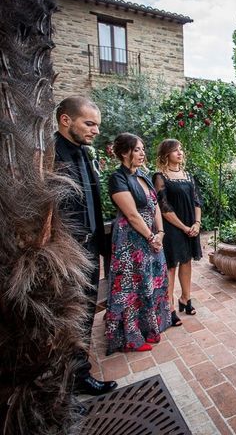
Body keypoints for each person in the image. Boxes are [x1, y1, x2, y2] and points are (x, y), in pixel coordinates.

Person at [54, 96, 117, 395]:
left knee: (87, 309)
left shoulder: (84, 153)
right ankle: (68, 379)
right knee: (69, 314)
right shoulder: (50, 155)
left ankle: (79, 373)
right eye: (89, 124)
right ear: (66, 120)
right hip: (66, 253)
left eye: (97, 125)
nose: (95, 131)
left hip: (91, 248)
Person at [104, 133, 171, 354]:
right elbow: (132, 215)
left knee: (150, 284)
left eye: (143, 149)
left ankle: (150, 327)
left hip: (151, 241)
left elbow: (155, 205)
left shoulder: (143, 175)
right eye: (137, 149)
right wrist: (151, 237)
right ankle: (130, 337)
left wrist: (160, 232)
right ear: (124, 153)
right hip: (131, 243)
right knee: (130, 289)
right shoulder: (117, 178)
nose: (142, 153)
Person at [153, 139, 202, 327]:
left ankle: (185, 299)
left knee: (187, 261)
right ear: (166, 154)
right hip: (173, 227)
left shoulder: (188, 175)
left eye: (181, 149)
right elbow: (163, 207)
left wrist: (197, 223)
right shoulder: (160, 176)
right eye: (175, 150)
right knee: (171, 266)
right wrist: (183, 227)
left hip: (191, 225)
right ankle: (170, 307)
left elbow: (197, 201)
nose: (179, 153)